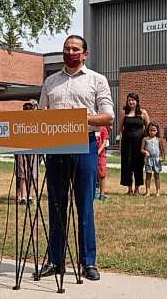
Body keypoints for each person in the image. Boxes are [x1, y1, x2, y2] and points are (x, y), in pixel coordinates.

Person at [37, 35, 114, 281]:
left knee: (84, 205)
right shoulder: (50, 81)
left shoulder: (96, 80)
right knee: (57, 205)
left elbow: (108, 117)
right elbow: (41, 114)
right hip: (56, 147)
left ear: (85, 54)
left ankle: (88, 262)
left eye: (75, 49)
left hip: (86, 145)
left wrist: (77, 117)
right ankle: (55, 260)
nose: (70, 52)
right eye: (66, 48)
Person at [119, 93, 150, 196]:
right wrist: (120, 143)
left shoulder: (143, 112)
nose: (131, 102)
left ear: (137, 101)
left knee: (138, 165)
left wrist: (146, 143)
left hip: (139, 143)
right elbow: (120, 130)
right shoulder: (124, 113)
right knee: (127, 165)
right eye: (129, 100)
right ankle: (129, 189)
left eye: (133, 100)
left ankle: (137, 189)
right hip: (127, 143)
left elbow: (148, 128)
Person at [16, 100, 39, 206]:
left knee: (32, 174)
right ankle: (22, 197)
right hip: (22, 149)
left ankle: (30, 196)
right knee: (23, 174)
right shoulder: (19, 121)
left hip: (34, 150)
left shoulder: (37, 121)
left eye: (31, 108)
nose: (28, 110)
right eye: (26, 108)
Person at [141, 122, 165, 197]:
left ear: (157, 131)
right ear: (148, 130)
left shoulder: (159, 140)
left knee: (157, 175)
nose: (152, 132)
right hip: (148, 160)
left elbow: (162, 150)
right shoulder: (145, 139)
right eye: (150, 130)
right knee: (148, 175)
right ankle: (147, 192)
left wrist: (163, 158)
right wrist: (145, 152)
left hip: (156, 160)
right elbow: (141, 149)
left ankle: (158, 191)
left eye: (154, 130)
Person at [95, 126, 109, 201]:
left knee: (102, 174)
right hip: (90, 154)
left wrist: (98, 151)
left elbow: (104, 142)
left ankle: (102, 194)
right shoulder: (90, 128)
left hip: (101, 155)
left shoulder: (103, 129)